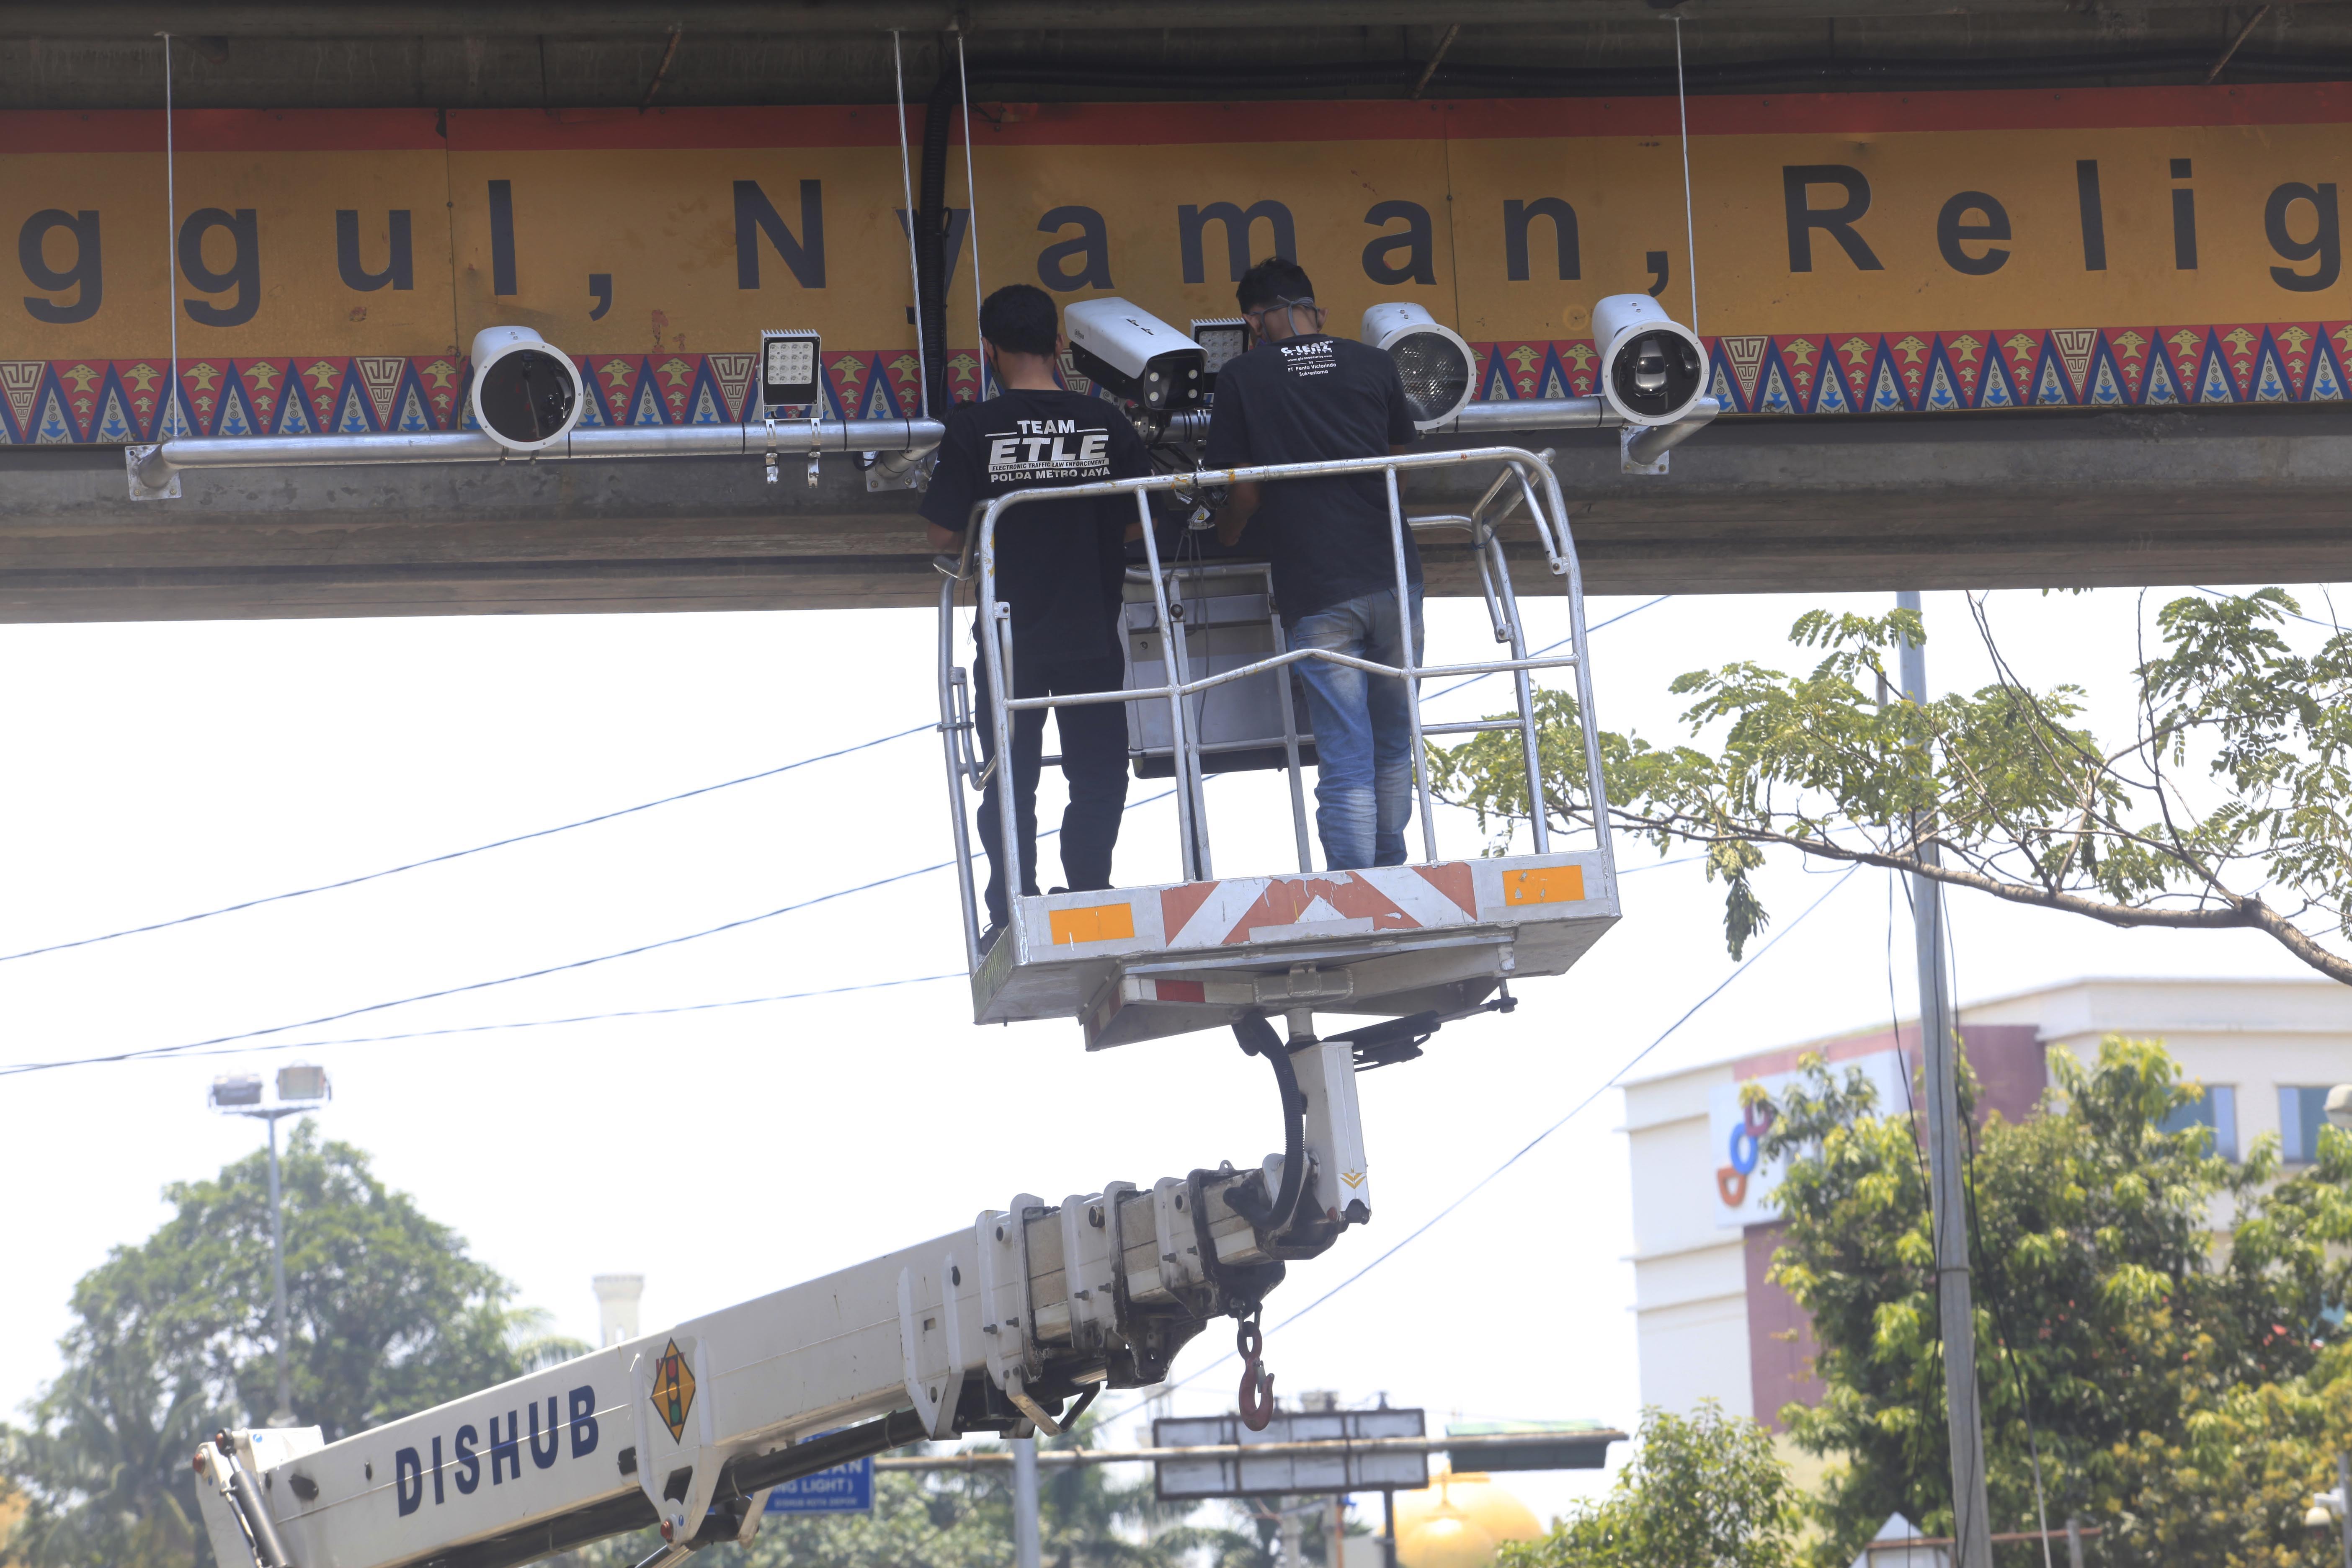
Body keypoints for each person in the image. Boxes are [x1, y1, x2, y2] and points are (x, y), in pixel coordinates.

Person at [922, 283, 1151, 947]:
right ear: (1060, 344)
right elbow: (1139, 525)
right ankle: (1088, 890)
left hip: (1007, 638)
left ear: (987, 349)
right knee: (1100, 768)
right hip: (1090, 630)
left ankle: (1014, 908)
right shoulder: (1107, 424)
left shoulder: (973, 427)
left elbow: (940, 536)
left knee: (1008, 778)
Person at [1205, 256, 1421, 870]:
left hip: (1317, 584)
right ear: (1317, 310)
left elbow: (1242, 489)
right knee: (1391, 733)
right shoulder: (1374, 362)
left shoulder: (1244, 377)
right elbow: (1397, 467)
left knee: (1345, 746)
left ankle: (1357, 883)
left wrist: (1229, 529)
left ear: (1253, 321)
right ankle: (1391, 869)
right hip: (1394, 574)